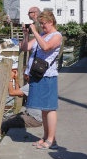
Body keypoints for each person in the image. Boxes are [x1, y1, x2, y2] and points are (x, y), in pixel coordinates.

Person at [25, 9, 63, 149]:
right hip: (38, 75)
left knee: (50, 108)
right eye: (40, 24)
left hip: (48, 76)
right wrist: (26, 34)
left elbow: (46, 47)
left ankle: (52, 139)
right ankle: (46, 136)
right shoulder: (42, 34)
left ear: (51, 22)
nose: (42, 26)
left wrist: (35, 32)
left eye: (43, 23)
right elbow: (25, 47)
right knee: (44, 109)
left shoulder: (56, 35)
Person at [1, 68, 43, 134]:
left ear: (28, 76)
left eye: (24, 74)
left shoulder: (30, 86)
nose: (23, 76)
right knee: (9, 118)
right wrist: (16, 79)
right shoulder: (35, 84)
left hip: (34, 119)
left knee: (5, 123)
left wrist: (10, 79)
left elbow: (11, 93)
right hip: (33, 116)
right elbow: (20, 94)